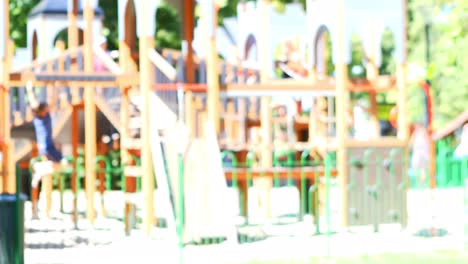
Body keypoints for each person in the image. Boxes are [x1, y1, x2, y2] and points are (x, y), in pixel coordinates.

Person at [26, 81, 67, 217]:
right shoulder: (42, 117)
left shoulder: (39, 117)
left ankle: (41, 169)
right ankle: (40, 170)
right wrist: (56, 87)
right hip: (47, 147)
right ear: (44, 111)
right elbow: (50, 102)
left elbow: (36, 102)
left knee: (61, 164)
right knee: (62, 164)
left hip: (46, 146)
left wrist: (30, 89)